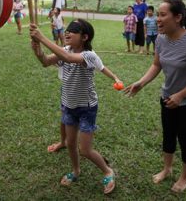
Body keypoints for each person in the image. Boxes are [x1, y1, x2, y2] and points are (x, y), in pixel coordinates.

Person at [124, 0, 186, 193]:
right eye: (158, 15)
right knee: (168, 135)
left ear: (178, 17)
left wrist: (180, 95)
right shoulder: (161, 39)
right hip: (167, 98)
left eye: (163, 15)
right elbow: (157, 65)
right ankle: (167, 169)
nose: (158, 20)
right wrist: (141, 82)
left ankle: (185, 177)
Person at [30, 19, 121, 195]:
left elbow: (70, 59)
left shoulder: (89, 56)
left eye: (73, 31)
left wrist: (41, 38)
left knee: (85, 150)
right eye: (67, 30)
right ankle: (76, 170)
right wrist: (38, 51)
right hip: (69, 105)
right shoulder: (65, 50)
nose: (67, 33)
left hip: (86, 108)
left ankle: (108, 171)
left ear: (85, 37)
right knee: (71, 144)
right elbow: (46, 61)